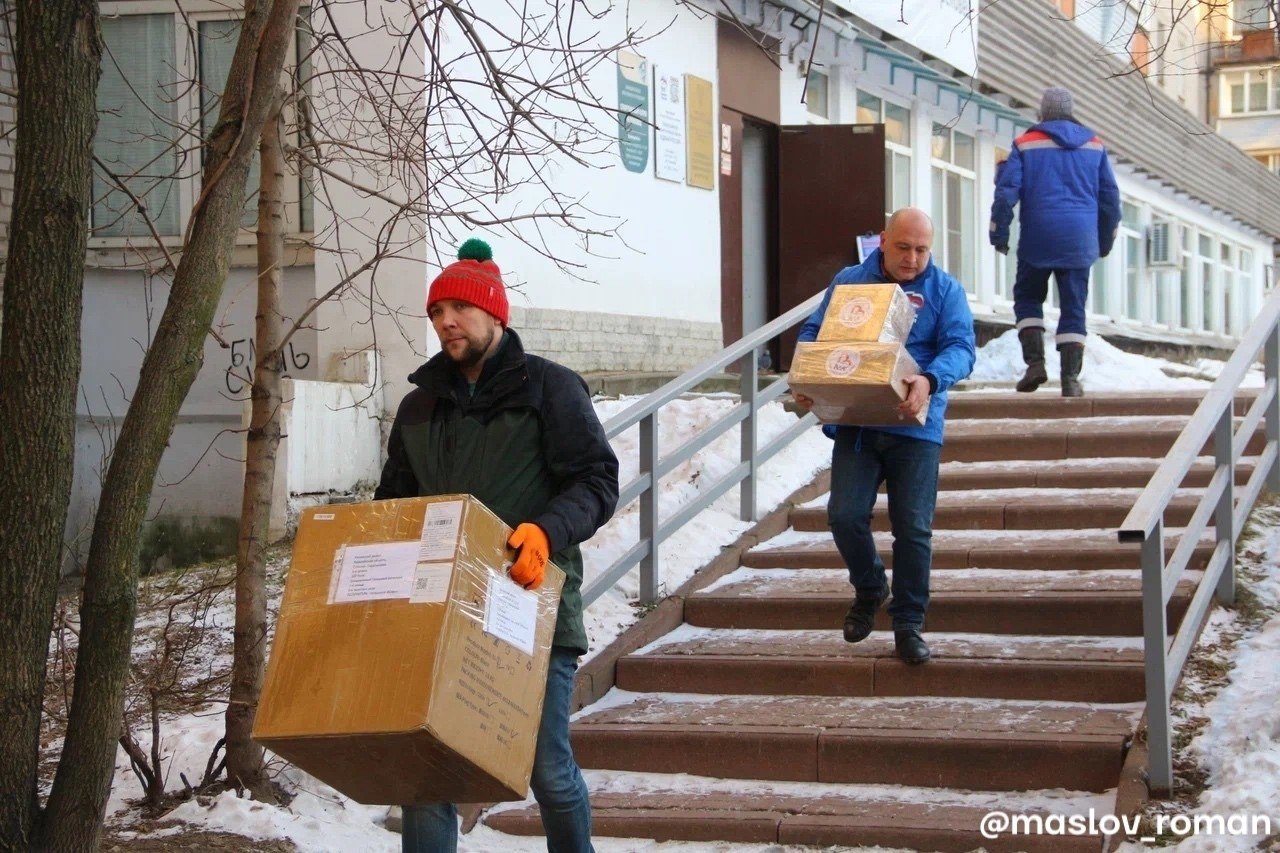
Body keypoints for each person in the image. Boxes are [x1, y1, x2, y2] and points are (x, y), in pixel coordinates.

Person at [375, 238, 618, 853]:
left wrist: (546, 529)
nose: (446, 322)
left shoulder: (551, 389)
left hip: (529, 603)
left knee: (546, 768)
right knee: (429, 774)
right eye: (436, 312)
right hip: (439, 609)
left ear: (495, 313)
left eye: (459, 308)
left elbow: (596, 480)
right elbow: (394, 507)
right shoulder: (418, 406)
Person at [793, 209, 975, 664]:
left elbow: (962, 348)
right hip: (857, 421)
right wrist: (808, 377)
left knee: (913, 529)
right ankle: (871, 587)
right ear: (883, 242)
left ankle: (908, 623)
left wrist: (930, 380)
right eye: (903, 247)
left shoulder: (945, 290)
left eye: (922, 249)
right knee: (844, 516)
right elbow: (816, 332)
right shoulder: (851, 280)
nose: (913, 258)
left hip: (916, 425)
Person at [989, 85, 1122, 398]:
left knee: (1027, 297)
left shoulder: (1025, 144)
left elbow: (1006, 193)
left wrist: (1000, 234)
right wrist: (1103, 242)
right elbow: (1111, 201)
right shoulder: (1095, 146)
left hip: (1039, 236)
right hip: (1080, 240)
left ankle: (1035, 364)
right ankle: (1070, 380)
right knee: (1074, 308)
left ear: (1043, 112)